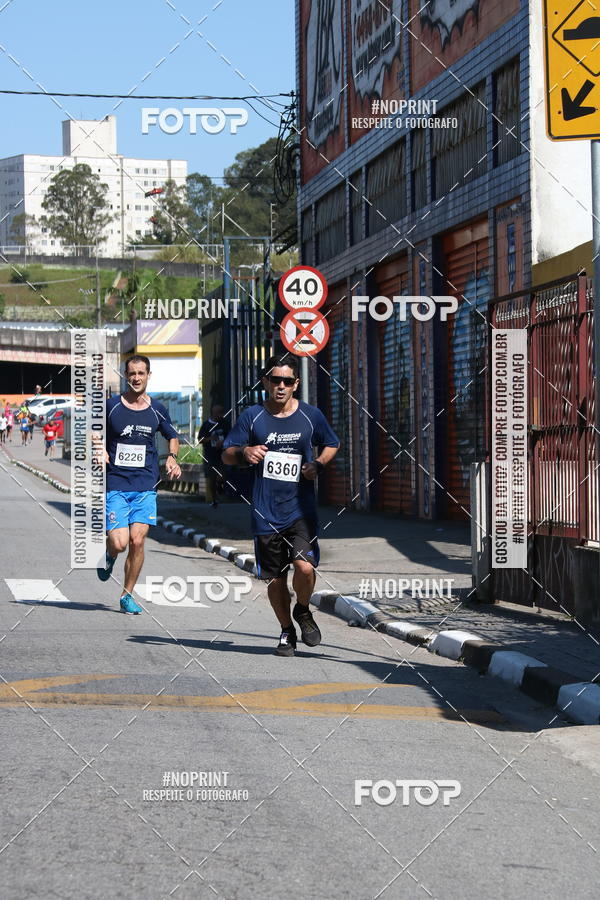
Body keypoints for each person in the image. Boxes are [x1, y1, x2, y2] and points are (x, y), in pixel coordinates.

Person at [222, 355, 340, 656]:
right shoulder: (253, 416)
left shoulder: (310, 416)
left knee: (304, 566)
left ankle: (302, 609)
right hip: (265, 511)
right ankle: (287, 630)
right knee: (275, 578)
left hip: (301, 508)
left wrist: (318, 464)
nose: (281, 386)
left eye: (288, 381)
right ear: (265, 382)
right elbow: (227, 453)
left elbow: (332, 443)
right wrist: (245, 451)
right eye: (276, 380)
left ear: (296, 384)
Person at [96, 354, 182, 614]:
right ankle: (110, 554)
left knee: (137, 541)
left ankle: (127, 594)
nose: (136, 378)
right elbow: (94, 429)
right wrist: (100, 448)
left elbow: (172, 436)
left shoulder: (157, 409)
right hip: (117, 483)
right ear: (126, 375)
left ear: (148, 375)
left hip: (146, 485)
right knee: (120, 543)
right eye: (132, 373)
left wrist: (172, 458)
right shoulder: (112, 406)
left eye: (141, 373)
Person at [197, 403, 229, 507]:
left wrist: (224, 443)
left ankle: (220, 486)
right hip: (210, 455)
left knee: (222, 476)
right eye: (218, 413)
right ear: (213, 413)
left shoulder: (225, 424)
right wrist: (210, 439)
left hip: (223, 454)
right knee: (211, 478)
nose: (220, 415)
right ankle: (214, 499)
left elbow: (231, 436)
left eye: (221, 413)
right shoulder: (206, 425)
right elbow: (200, 439)